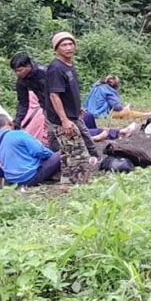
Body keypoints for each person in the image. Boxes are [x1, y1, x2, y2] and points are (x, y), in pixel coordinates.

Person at [44, 31, 95, 190]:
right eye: (64, 45)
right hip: (62, 121)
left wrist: (76, 108)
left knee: (67, 154)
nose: (68, 48)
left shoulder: (68, 65)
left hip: (71, 116)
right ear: (56, 48)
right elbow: (54, 96)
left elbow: (68, 91)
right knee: (79, 156)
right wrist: (65, 120)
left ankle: (66, 186)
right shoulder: (56, 68)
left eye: (70, 44)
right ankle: (81, 188)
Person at [0, 114, 60, 187]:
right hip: (30, 177)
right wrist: (52, 157)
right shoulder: (19, 134)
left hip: (11, 180)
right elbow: (40, 151)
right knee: (61, 154)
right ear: (9, 122)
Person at [83, 74, 151, 120]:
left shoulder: (96, 86)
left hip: (89, 111)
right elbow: (117, 106)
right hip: (99, 113)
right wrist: (124, 108)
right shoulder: (108, 90)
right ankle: (148, 114)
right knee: (126, 112)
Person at [9, 53, 48, 130]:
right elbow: (23, 103)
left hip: (63, 106)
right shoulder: (21, 81)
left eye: (20, 70)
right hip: (47, 109)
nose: (17, 73)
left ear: (28, 66)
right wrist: (17, 121)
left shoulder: (45, 72)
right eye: (15, 71)